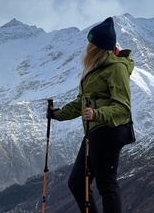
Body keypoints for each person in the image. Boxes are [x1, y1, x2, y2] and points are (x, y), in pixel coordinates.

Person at [48, 17, 134, 213]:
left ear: (98, 47)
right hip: (95, 132)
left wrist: (97, 114)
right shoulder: (95, 69)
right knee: (78, 183)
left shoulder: (117, 68)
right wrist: (57, 114)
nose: (88, 47)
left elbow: (123, 108)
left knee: (106, 184)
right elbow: (82, 102)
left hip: (109, 131)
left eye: (91, 43)